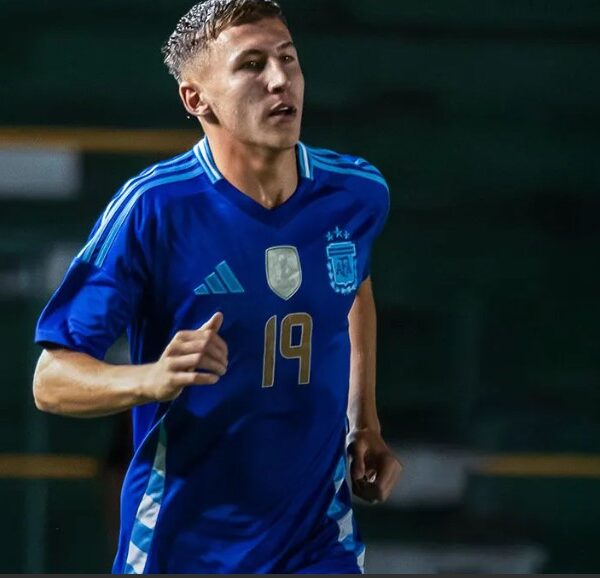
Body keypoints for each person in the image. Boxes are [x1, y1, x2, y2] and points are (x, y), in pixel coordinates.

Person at [32, 0, 401, 573]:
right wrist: (152, 378)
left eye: (288, 58)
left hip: (316, 542)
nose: (280, 79)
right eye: (252, 65)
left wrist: (365, 422)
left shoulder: (356, 192)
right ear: (196, 98)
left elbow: (354, 287)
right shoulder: (152, 209)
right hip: (185, 548)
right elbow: (51, 380)